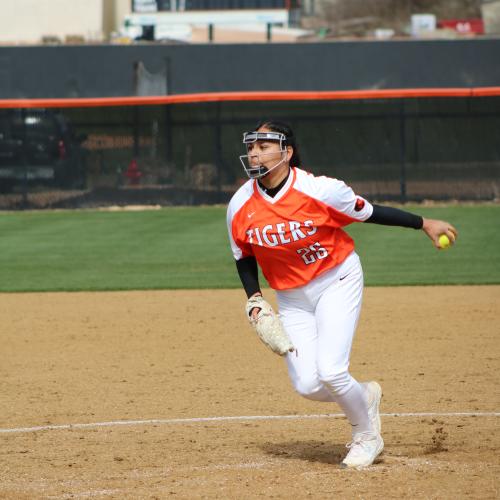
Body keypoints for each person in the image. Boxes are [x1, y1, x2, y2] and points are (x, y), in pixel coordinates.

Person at [226, 120, 457, 469]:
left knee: (332, 371)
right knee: (307, 384)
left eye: (264, 145)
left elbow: (371, 212)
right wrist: (255, 298)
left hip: (336, 280)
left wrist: (423, 223)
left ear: (287, 152)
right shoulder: (240, 205)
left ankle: (367, 436)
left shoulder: (321, 190)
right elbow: (244, 256)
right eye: (252, 145)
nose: (254, 152)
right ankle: (364, 395)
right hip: (291, 298)